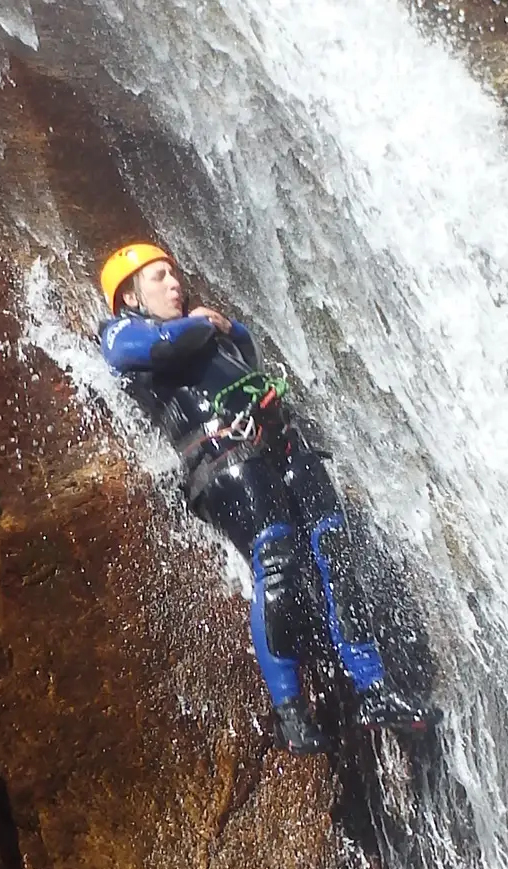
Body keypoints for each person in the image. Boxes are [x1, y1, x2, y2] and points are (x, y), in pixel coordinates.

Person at [97, 241, 438, 754]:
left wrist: (231, 330)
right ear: (130, 296)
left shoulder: (205, 329)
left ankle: (376, 688)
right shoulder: (125, 331)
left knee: (335, 549)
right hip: (222, 457)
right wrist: (206, 325)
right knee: (277, 560)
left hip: (278, 443)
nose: (175, 284)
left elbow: (248, 353)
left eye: (175, 274)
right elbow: (153, 350)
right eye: (160, 277)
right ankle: (290, 713)